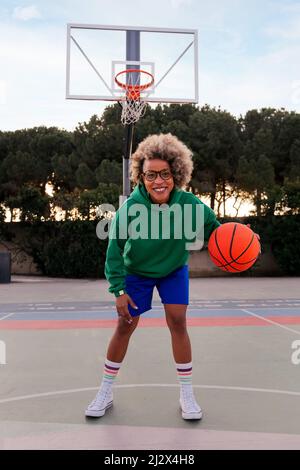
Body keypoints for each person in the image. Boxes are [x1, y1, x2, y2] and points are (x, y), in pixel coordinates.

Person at [85, 133, 221, 420]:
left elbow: (218, 232)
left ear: (177, 174)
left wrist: (245, 238)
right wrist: (118, 290)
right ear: (140, 178)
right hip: (137, 271)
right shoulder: (130, 209)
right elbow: (114, 252)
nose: (159, 181)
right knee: (125, 326)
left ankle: (187, 394)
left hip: (173, 269)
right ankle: (105, 391)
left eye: (165, 174)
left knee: (178, 321)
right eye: (151, 175)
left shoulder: (189, 204)